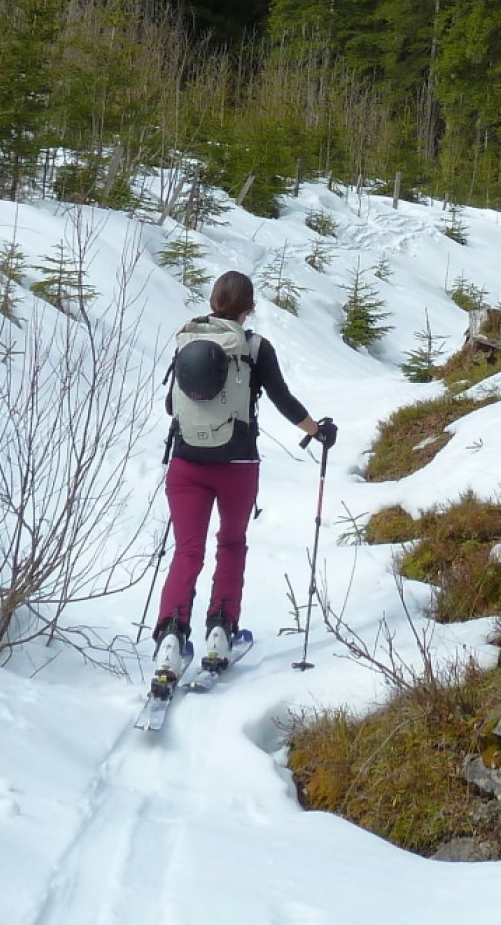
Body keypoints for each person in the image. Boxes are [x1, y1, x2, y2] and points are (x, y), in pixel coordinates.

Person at [152, 270, 335, 691]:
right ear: (249, 307)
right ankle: (220, 631)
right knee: (231, 544)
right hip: (238, 465)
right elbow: (282, 399)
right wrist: (317, 431)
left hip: (186, 463)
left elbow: (171, 406)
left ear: (213, 301)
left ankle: (171, 640)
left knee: (187, 551)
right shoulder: (254, 347)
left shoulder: (187, 339)